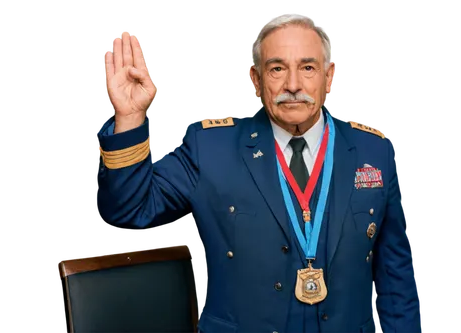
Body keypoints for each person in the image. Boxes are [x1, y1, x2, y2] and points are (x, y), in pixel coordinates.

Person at [96, 13, 423, 333]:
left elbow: (396, 277)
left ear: (330, 78)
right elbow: (129, 210)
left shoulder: (374, 151)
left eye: (307, 68)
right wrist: (130, 117)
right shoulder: (209, 148)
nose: (293, 85)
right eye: (277, 68)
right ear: (255, 80)